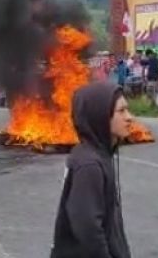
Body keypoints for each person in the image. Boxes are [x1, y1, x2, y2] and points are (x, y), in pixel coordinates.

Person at [50, 82, 132, 258]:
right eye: (121, 111)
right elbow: (87, 228)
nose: (129, 117)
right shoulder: (89, 165)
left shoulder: (97, 155)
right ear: (100, 116)